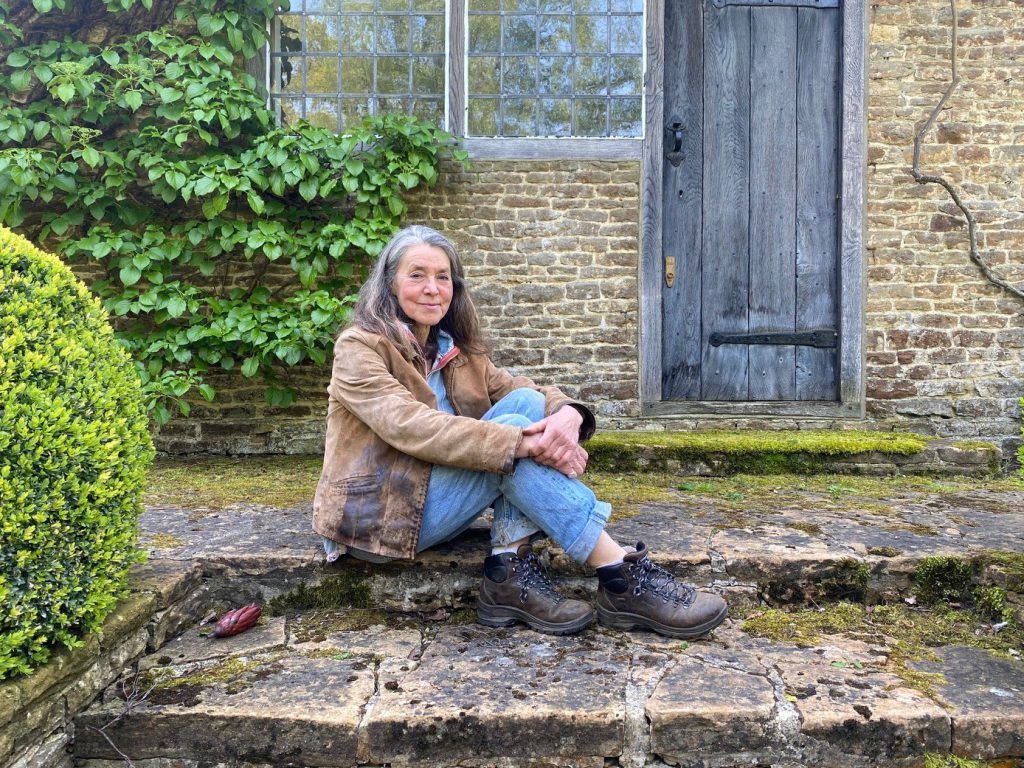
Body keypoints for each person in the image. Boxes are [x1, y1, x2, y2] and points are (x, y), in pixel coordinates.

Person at [313, 225, 727, 639]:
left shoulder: (454, 350)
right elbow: (411, 427)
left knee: (527, 409)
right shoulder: (359, 348)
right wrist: (522, 443)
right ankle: (619, 573)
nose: (432, 288)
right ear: (389, 284)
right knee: (511, 435)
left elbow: (524, 392)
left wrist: (568, 416)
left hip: (433, 499)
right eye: (416, 275)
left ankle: (508, 569)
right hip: (379, 518)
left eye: (442, 277)